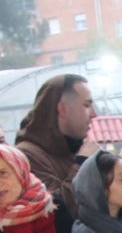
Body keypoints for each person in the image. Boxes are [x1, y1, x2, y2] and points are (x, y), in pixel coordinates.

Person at [16, 73, 96, 216]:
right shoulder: (26, 156)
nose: (94, 114)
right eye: (87, 105)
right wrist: (82, 164)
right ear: (62, 108)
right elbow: (56, 209)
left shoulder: (73, 146)